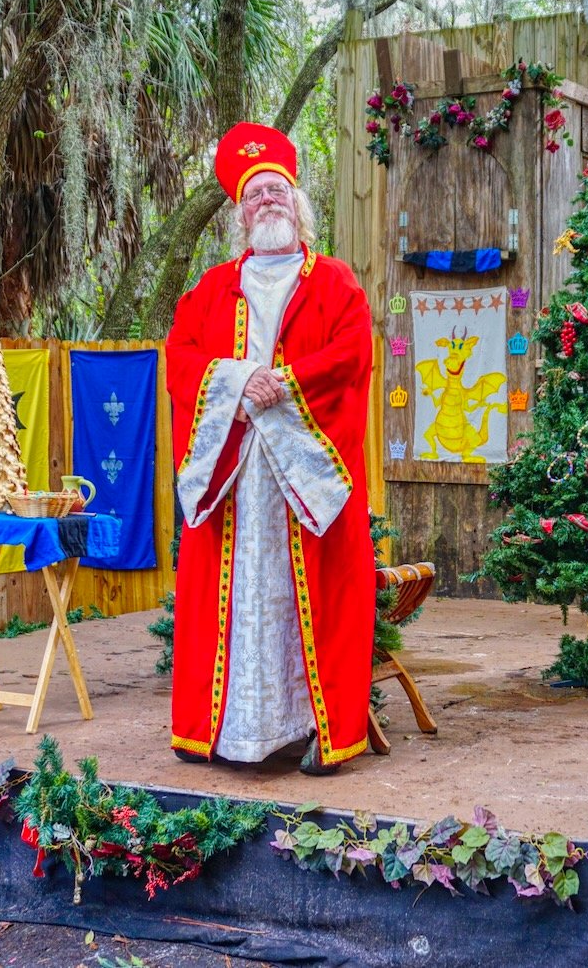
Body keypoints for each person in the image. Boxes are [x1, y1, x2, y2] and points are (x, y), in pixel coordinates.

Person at [165, 122, 376, 776]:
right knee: (239, 603)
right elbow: (181, 358)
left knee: (312, 598)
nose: (268, 202)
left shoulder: (335, 282)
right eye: (255, 195)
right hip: (236, 479)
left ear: (298, 202)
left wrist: (285, 383)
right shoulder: (211, 288)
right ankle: (229, 733)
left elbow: (353, 353)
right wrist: (235, 380)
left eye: (277, 190)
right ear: (240, 213)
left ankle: (320, 732)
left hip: (303, 475)